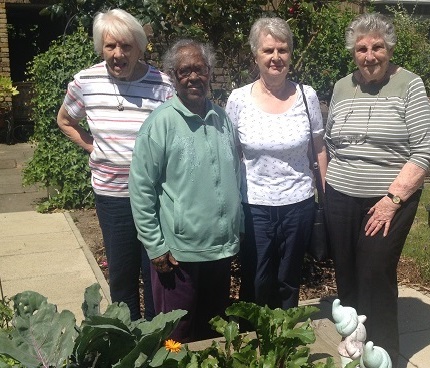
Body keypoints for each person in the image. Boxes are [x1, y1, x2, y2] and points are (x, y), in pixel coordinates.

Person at [323, 13, 430, 365]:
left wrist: (392, 199)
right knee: (347, 270)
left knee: (374, 270)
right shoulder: (342, 87)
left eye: (377, 47)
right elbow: (329, 140)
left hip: (388, 197)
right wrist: (327, 189)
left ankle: (382, 352)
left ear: (389, 48)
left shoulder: (410, 85)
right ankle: (353, 343)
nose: (369, 55)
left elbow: (423, 151)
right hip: (340, 195)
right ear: (353, 52)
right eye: (361, 48)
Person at [56, 8, 174, 321]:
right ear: (101, 48)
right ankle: (128, 339)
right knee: (121, 276)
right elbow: (65, 120)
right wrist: (92, 146)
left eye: (125, 46)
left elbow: (175, 136)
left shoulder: (162, 85)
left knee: (157, 271)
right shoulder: (86, 81)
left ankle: (156, 337)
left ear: (139, 47)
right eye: (110, 46)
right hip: (111, 196)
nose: (117, 54)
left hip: (154, 199)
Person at [129, 39, 244, 343]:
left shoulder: (222, 119)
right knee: (176, 337)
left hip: (219, 250)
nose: (193, 77)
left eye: (200, 69)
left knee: (213, 333)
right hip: (179, 255)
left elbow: (236, 175)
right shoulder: (160, 124)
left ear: (209, 72)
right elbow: (141, 189)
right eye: (184, 71)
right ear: (172, 77)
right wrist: (155, 246)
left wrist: (236, 227)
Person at [225, 16, 326, 310]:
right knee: (256, 279)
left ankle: (285, 343)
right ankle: (253, 344)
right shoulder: (238, 99)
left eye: (283, 50)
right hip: (254, 206)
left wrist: (326, 194)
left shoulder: (307, 97)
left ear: (290, 55)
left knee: (288, 279)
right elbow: (230, 154)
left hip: (299, 204)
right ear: (256, 55)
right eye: (268, 50)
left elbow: (318, 149)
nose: (276, 58)